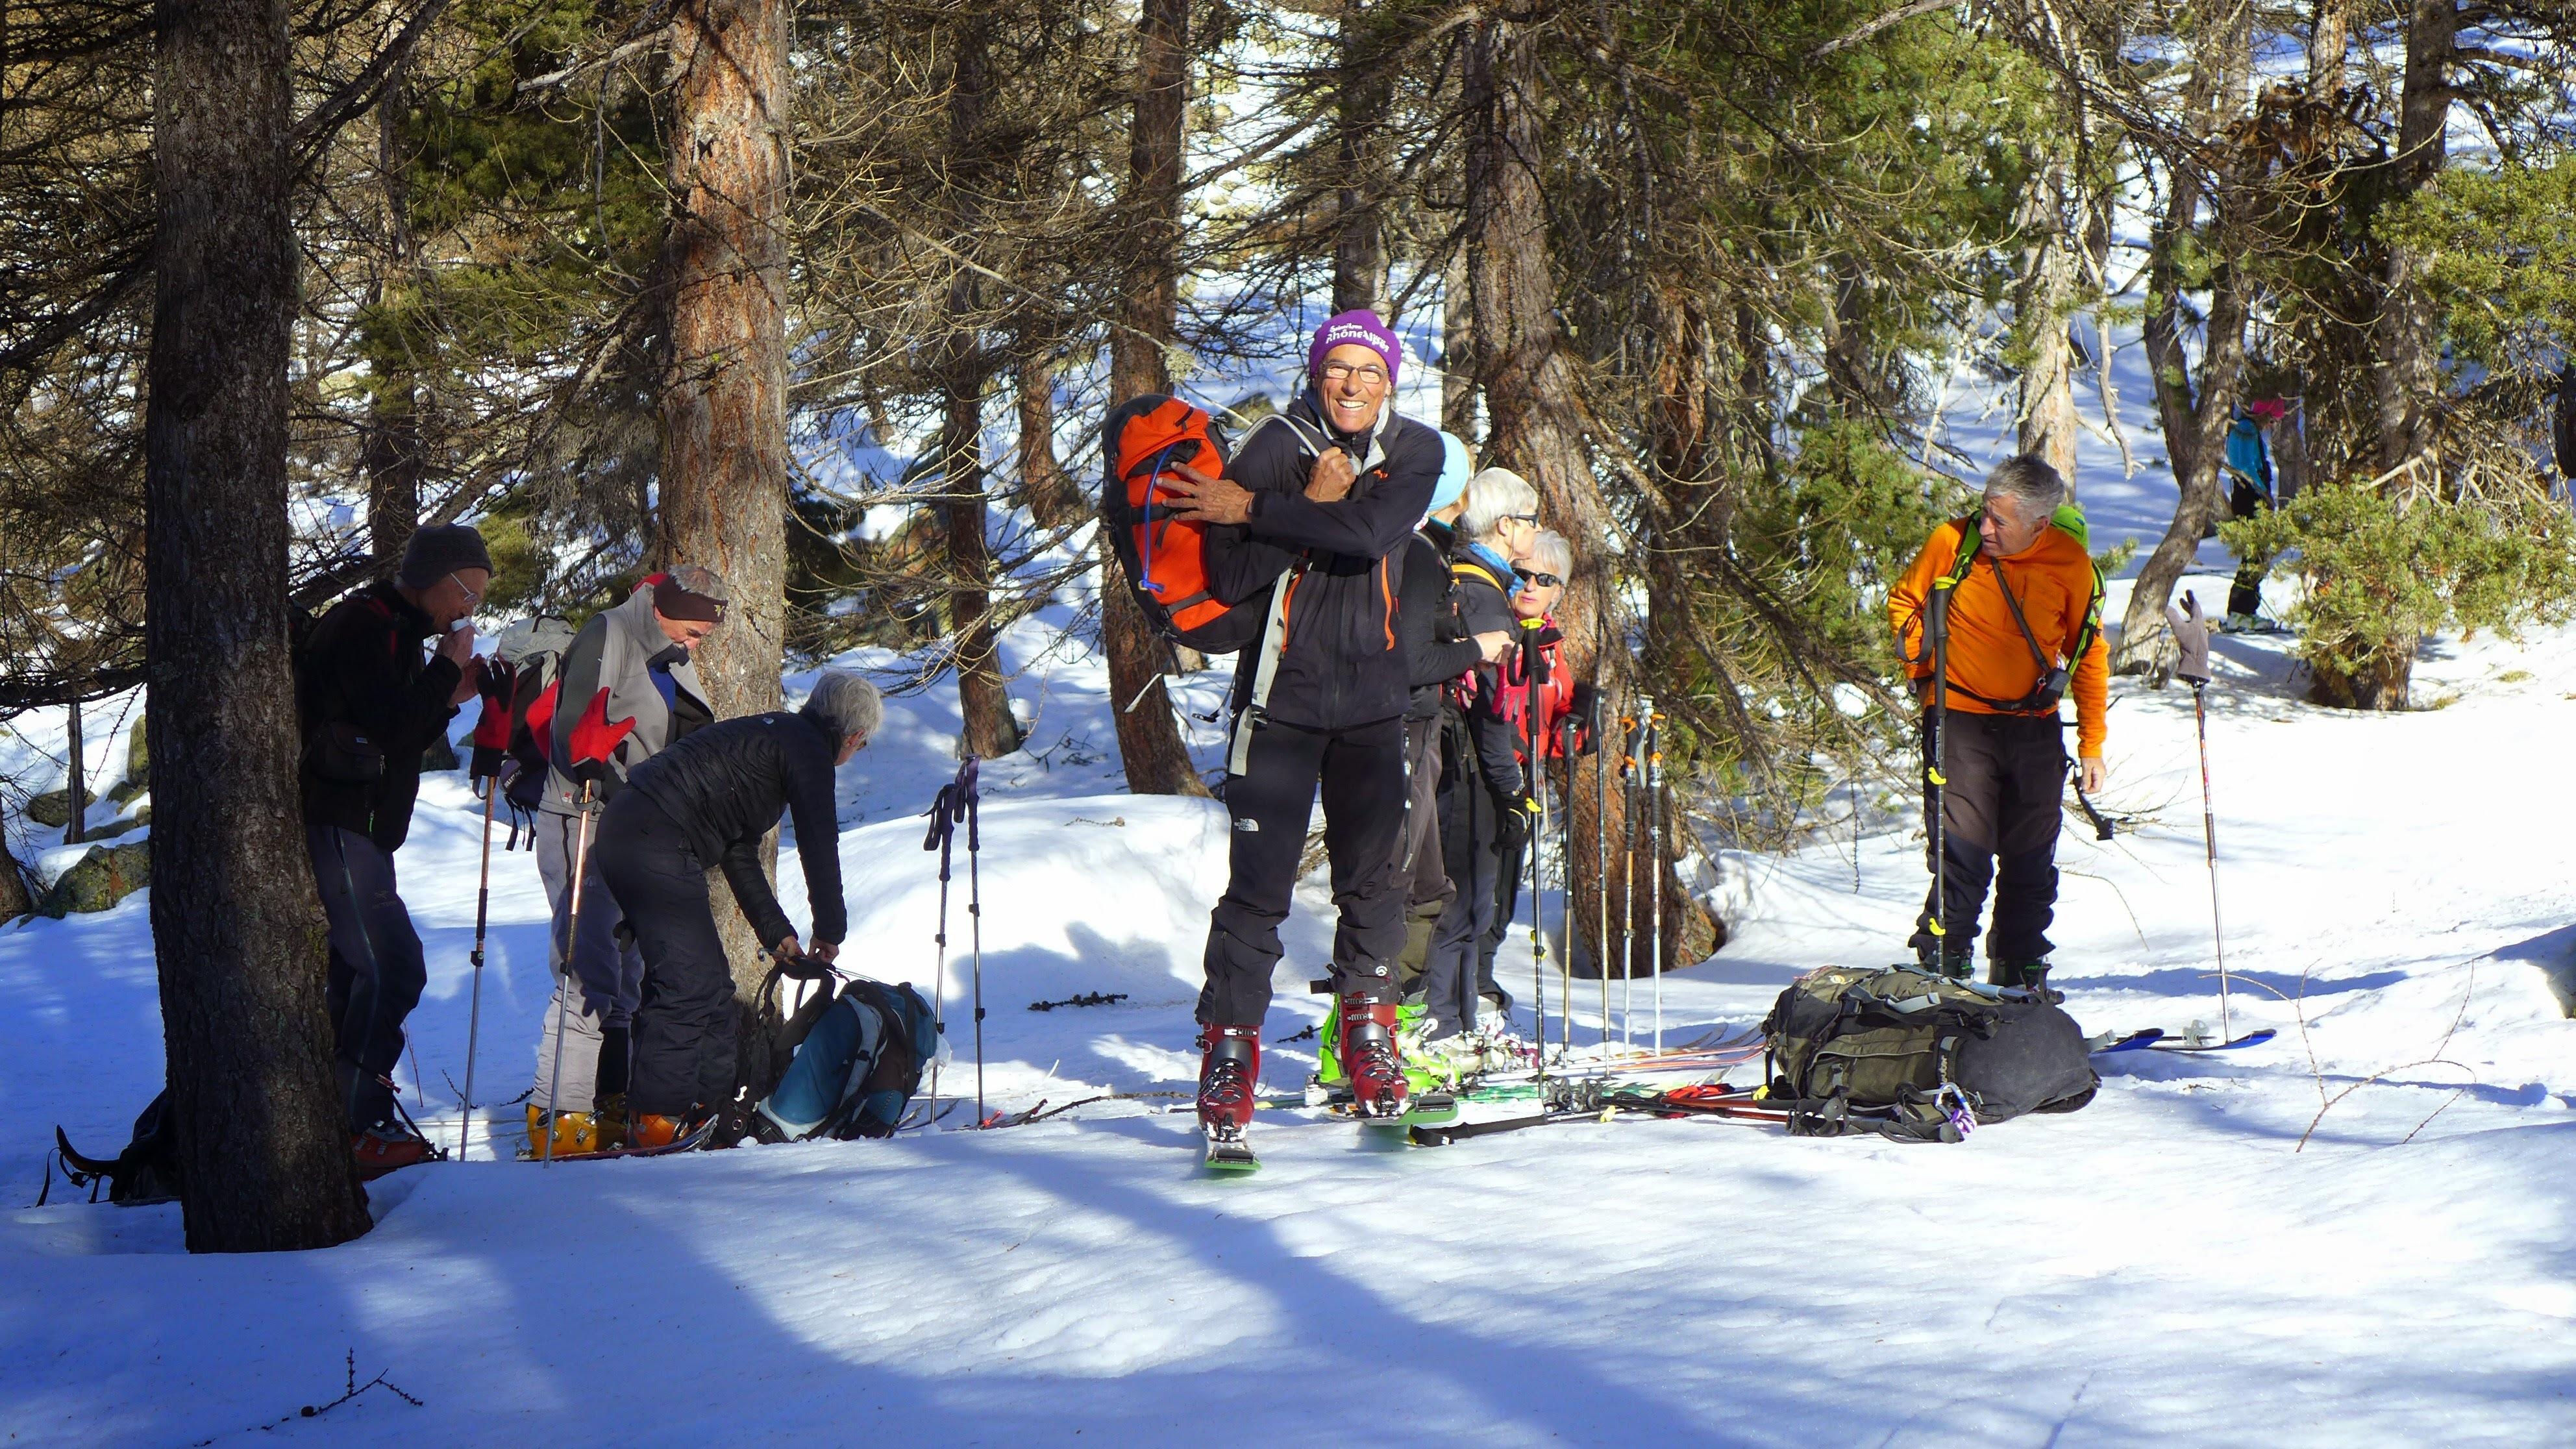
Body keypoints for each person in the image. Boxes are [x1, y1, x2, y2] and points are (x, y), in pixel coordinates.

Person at [1154, 309, 1443, 1132]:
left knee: (1373, 886)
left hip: (1373, 711)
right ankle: (1229, 1051)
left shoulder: (1415, 451)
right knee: (1258, 891)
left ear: (1389, 382)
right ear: (1317, 373)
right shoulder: (1275, 445)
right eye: (1338, 368)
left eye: (1370, 371)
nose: (1353, 385)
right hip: (1279, 705)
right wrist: (1292, 503)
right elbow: (1229, 573)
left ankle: (1368, 1035)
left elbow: (1369, 532)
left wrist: (1257, 507)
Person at [595, 670, 882, 1148]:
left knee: (711, 988)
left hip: (635, 829)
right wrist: (830, 929)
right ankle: (657, 1121)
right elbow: (818, 843)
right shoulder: (808, 750)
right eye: (862, 744)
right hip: (654, 838)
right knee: (688, 986)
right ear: (853, 736)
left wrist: (777, 933)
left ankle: (705, 1113)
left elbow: (736, 849)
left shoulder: (775, 735)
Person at [295, 523, 491, 1176]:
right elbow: (388, 726)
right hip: (339, 823)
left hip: (367, 830)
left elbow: (401, 735)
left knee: (355, 978)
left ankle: (333, 1119)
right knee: (394, 966)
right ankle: (356, 1124)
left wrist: (450, 693)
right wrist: (446, 670)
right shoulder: (362, 625)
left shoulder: (398, 631)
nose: (468, 610)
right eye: (468, 594)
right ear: (436, 579)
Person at [525, 567, 726, 1156]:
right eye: (693, 632)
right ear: (665, 609)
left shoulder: (670, 651)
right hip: (582, 816)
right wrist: (613, 782)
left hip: (635, 826)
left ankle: (609, 1100)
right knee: (586, 972)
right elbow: (573, 732)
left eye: (703, 636)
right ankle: (558, 1115)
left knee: (627, 974)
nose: (695, 645)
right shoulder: (609, 632)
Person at [1888, 456, 2108, 991]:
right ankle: (1943, 969)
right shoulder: (1952, 542)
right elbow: (1904, 602)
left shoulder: (2071, 563)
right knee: (1961, 853)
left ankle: (2018, 974)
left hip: (2035, 727)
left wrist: (2093, 743)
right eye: (1984, 512)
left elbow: (2088, 653)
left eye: (1999, 520)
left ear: (2039, 523)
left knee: (2031, 858)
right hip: (1958, 721)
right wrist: (1924, 675)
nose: (1985, 527)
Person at [1421, 468, 1541, 1039]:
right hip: (1466, 772)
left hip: (1456, 763)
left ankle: (1457, 1027)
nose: (1535, 532)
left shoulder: (1469, 579)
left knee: (1466, 904)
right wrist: (1510, 790)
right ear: (1505, 525)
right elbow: (1492, 711)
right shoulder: (1483, 595)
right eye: (1531, 520)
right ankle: (1443, 1030)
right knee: (1465, 904)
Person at [1392, 432, 1507, 991]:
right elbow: (1414, 660)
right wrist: (1476, 648)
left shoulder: (1421, 549)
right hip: (1406, 732)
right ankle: (1374, 1024)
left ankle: (1398, 1022)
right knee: (1404, 886)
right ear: (1456, 495)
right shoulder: (1419, 554)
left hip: (1417, 732)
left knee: (1427, 887)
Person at [1480, 530, 1584, 991]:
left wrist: (1577, 722)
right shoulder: (1494, 629)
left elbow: (1556, 718)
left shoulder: (1549, 641)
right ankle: (1456, 998)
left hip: (1524, 781)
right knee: (1475, 891)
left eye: (1544, 579)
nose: (1530, 585)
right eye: (1522, 573)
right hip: (1483, 774)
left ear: (1558, 591)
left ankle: (1481, 988)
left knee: (1503, 892)